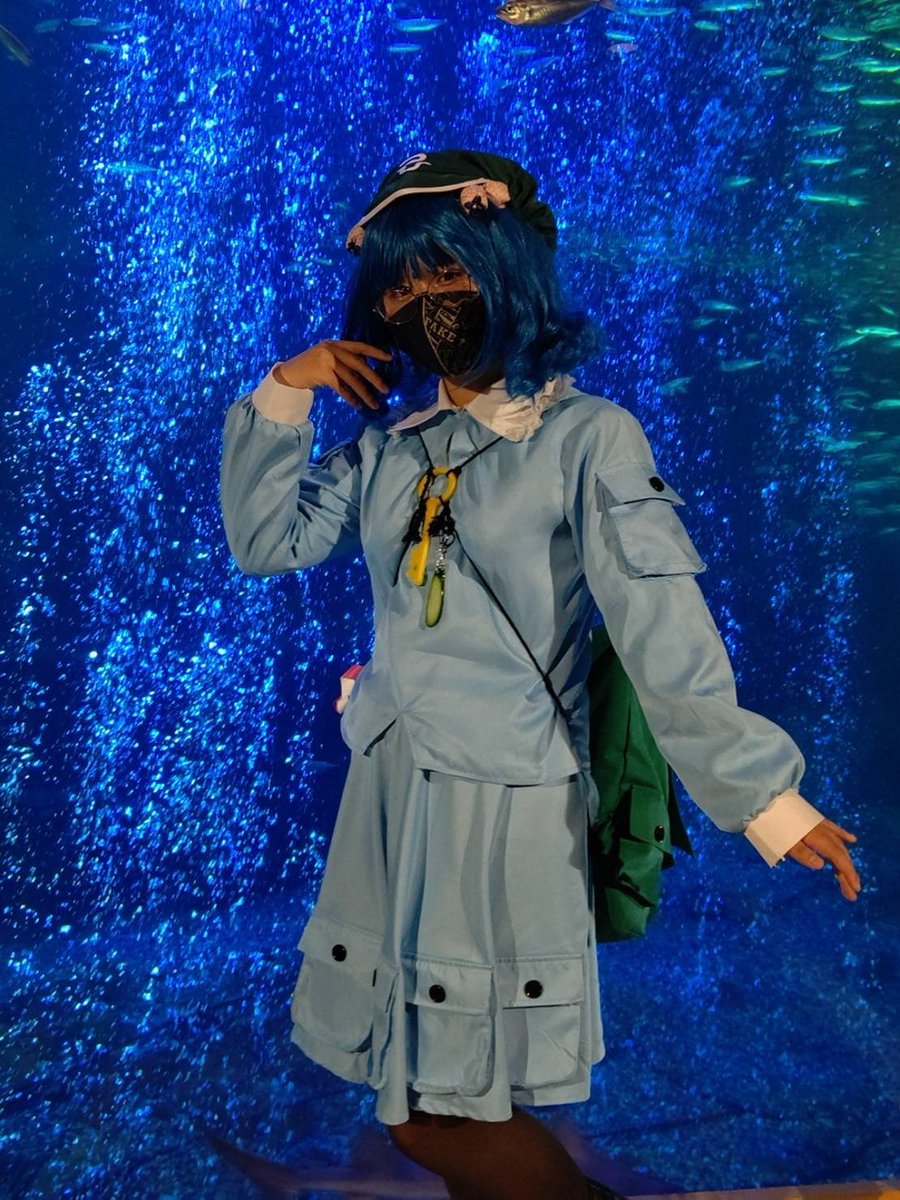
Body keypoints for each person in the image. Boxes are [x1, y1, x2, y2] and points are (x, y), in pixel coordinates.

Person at [219, 150, 861, 1200]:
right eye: (400, 286)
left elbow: (661, 627)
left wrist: (765, 801)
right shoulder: (390, 449)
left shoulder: (588, 437)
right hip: (392, 797)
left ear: (508, 267)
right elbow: (265, 540)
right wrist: (288, 387)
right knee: (425, 1089)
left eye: (449, 272)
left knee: (434, 1114)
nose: (427, 305)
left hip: (504, 801)